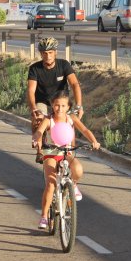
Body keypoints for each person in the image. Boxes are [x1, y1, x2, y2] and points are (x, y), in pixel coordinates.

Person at [32, 90, 100, 229]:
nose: (60, 109)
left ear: (68, 107)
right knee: (51, 184)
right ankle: (44, 216)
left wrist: (94, 141)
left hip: (67, 152)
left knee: (78, 169)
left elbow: (85, 130)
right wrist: (36, 139)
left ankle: (73, 185)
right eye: (57, 105)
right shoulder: (48, 119)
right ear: (52, 105)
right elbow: (39, 131)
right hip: (51, 152)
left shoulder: (71, 118)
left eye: (63, 106)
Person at [27, 37, 83, 163]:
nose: (48, 56)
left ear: (55, 52)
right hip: (43, 100)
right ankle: (40, 150)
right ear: (41, 54)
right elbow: (31, 90)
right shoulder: (34, 68)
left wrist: (79, 105)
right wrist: (33, 108)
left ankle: (71, 154)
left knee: (70, 124)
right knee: (38, 121)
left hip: (61, 102)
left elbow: (75, 84)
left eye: (50, 52)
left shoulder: (64, 65)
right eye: (44, 53)